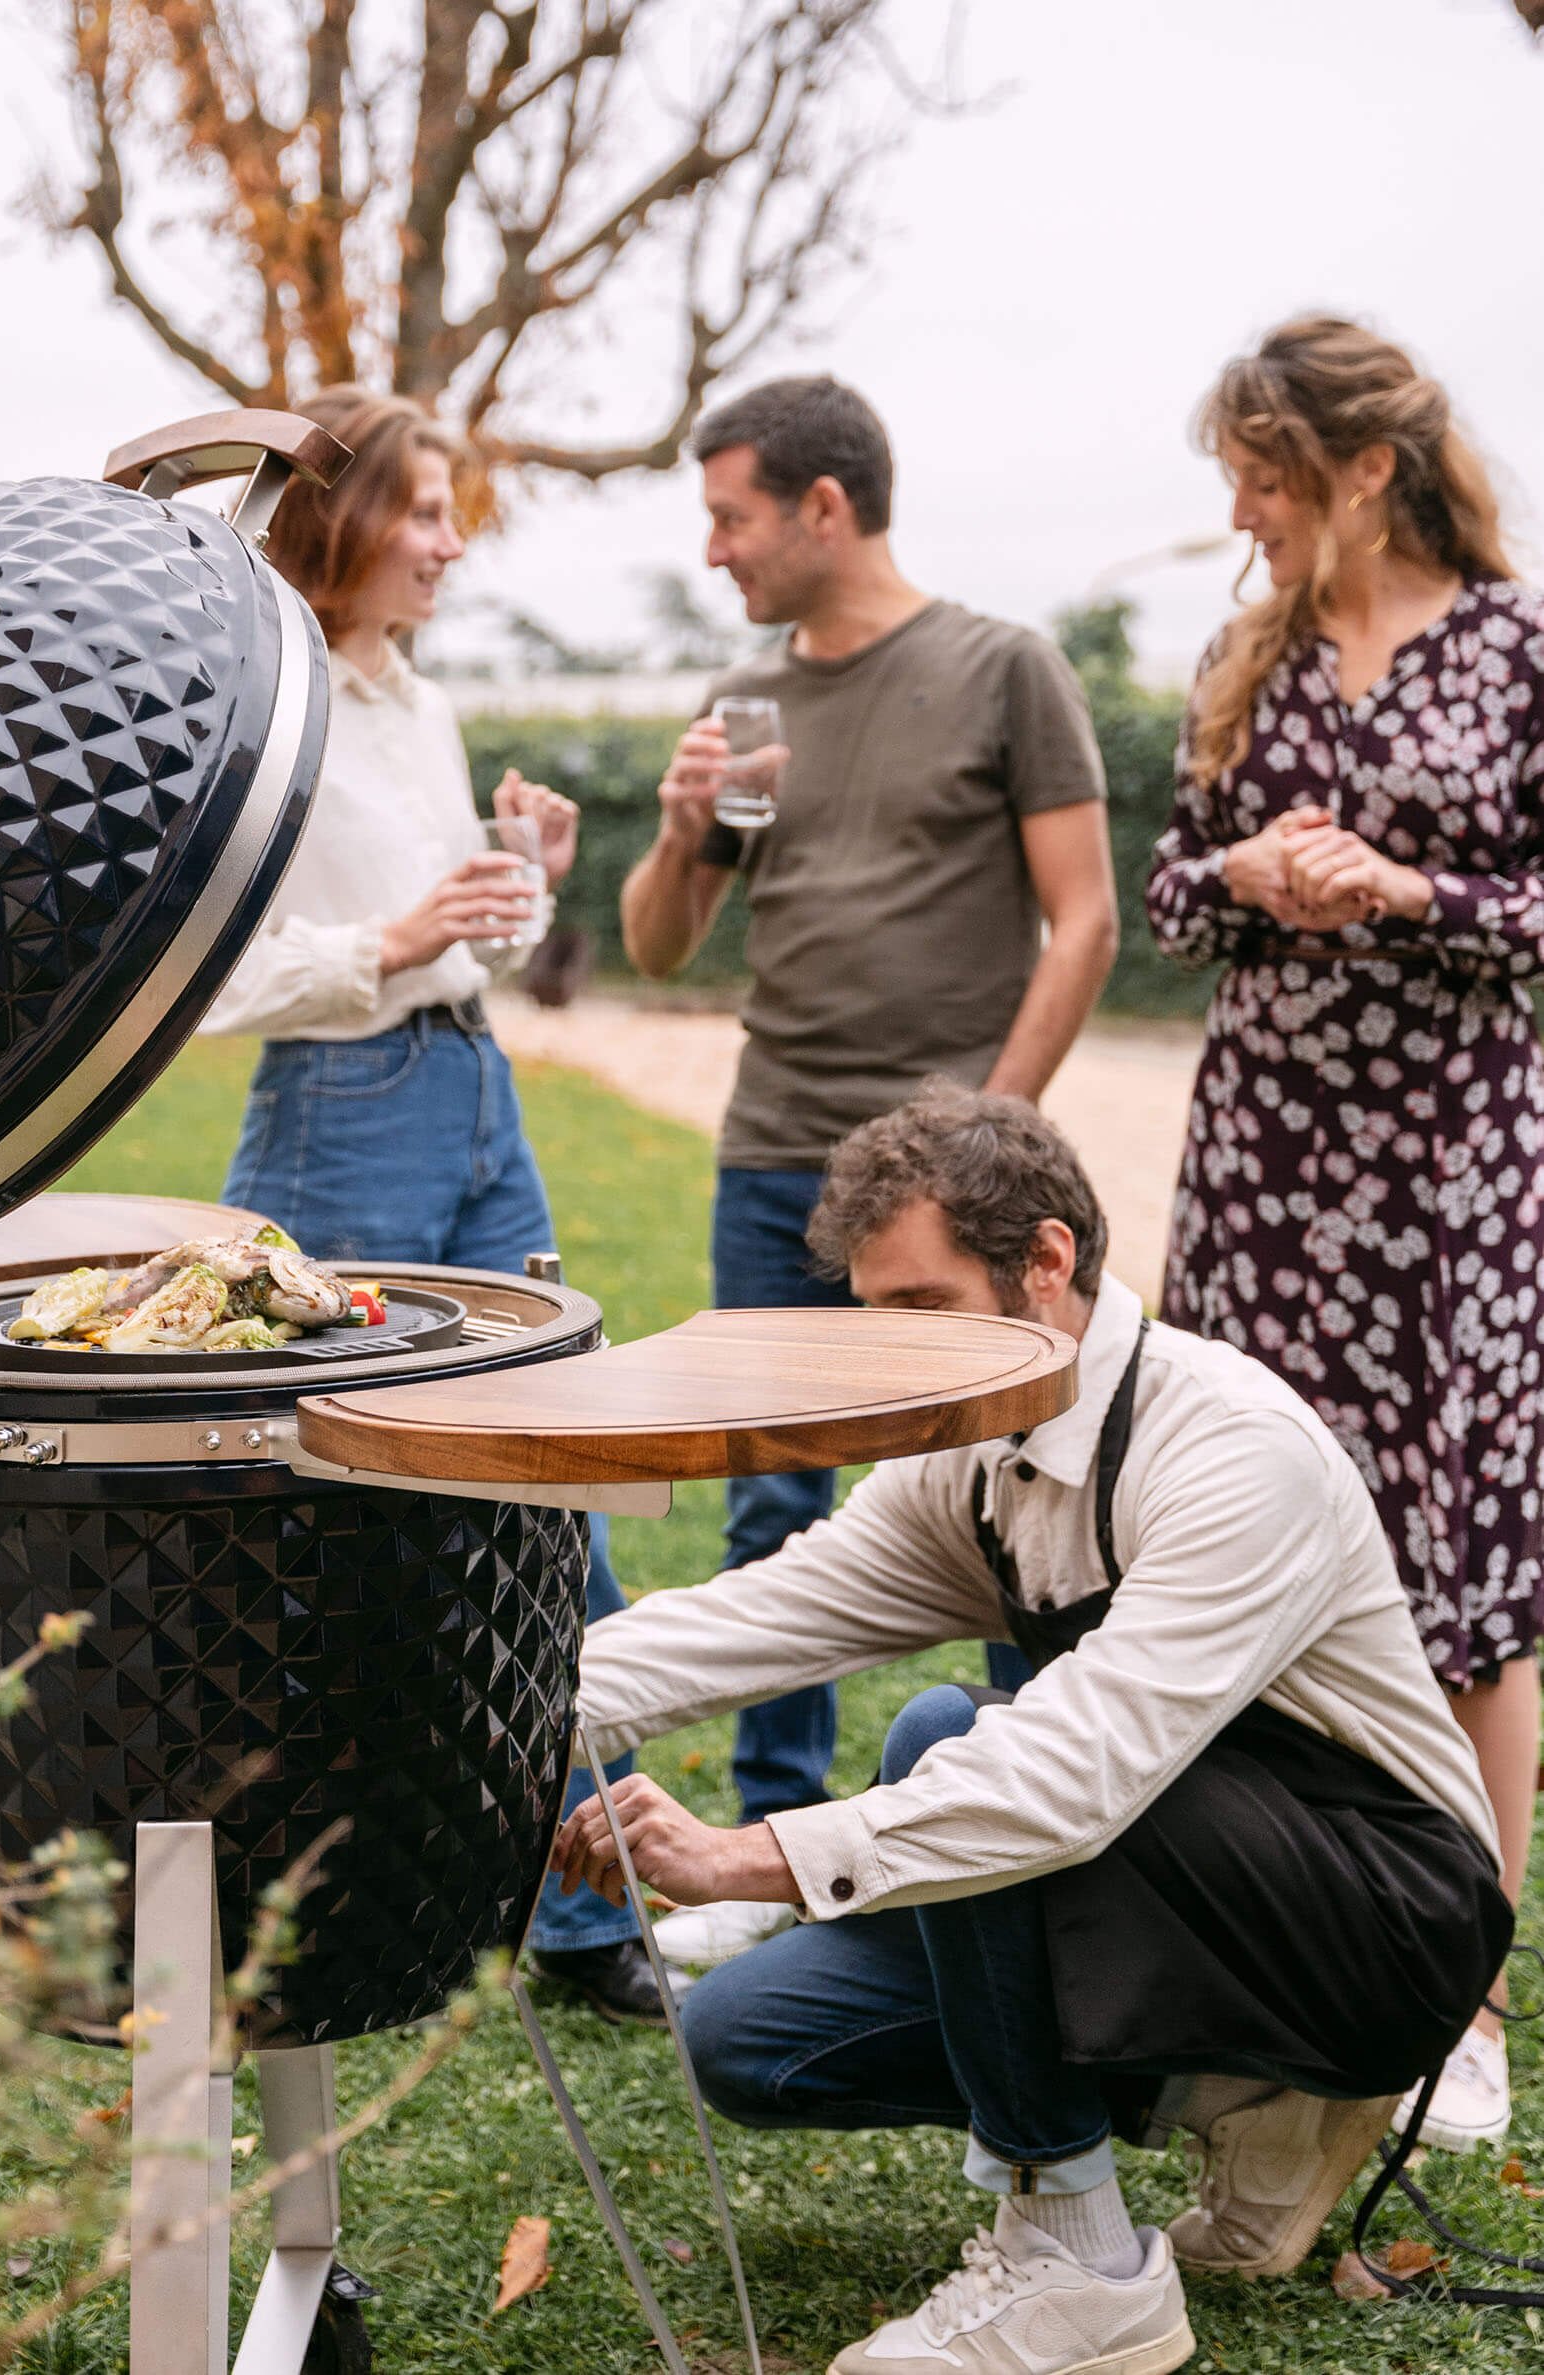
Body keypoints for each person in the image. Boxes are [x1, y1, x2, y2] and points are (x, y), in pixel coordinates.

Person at [549, 1083, 1508, 2375]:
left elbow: (1067, 1778)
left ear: (1046, 1265)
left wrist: (749, 1857)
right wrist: (494, 1723)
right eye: (875, 1319)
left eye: (923, 1312)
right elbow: (764, 1615)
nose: (894, 1356)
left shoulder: (1231, 1449)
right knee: (748, 2044)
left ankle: (1082, 2261)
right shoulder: (974, 1453)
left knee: (950, 1737)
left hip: (1381, 1919)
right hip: (1177, 1889)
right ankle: (1238, 2098)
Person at [619, 376, 1118, 1968]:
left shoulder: (1001, 669)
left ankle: (1006, 1811)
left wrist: (991, 1136)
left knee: (1003, 1478)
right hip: (777, 1147)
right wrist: (682, 827)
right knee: (771, 1500)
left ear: (824, 509)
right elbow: (660, 942)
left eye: (731, 516)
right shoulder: (750, 702)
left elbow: (1086, 917)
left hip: (948, 1188)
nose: (716, 553)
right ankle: (764, 1848)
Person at [200, 387, 670, 2026]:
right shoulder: (260, 710)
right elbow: (192, 977)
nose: (455, 542)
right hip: (344, 1117)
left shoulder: (421, 704)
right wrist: (386, 946)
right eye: (424, 511)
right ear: (338, 524)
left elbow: (465, 932)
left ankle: (584, 1912)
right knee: (334, 1518)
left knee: (556, 1483)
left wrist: (517, 870)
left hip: (474, 1093)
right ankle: (310, 1894)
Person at [1144, 315, 1544, 2155]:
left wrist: (1409, 889)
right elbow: (1166, 890)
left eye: (1265, 473)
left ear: (1367, 469)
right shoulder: (1248, 653)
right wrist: (1242, 874)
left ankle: (1460, 1996)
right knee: (1240, 1537)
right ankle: (1252, 1959)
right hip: (1270, 1158)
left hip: (1452, 1169)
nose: (1239, 507)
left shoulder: (1518, 650)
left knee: (1458, 1573)